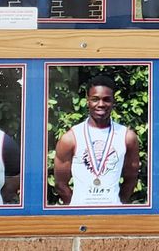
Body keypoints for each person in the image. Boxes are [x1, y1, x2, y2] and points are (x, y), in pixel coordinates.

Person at [53, 75, 142, 205]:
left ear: (113, 102)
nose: (101, 104)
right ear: (87, 101)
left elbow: (131, 178)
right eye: (95, 99)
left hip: (113, 214)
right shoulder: (71, 138)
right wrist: (76, 208)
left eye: (106, 100)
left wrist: (118, 205)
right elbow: (60, 184)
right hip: (80, 216)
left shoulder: (127, 136)